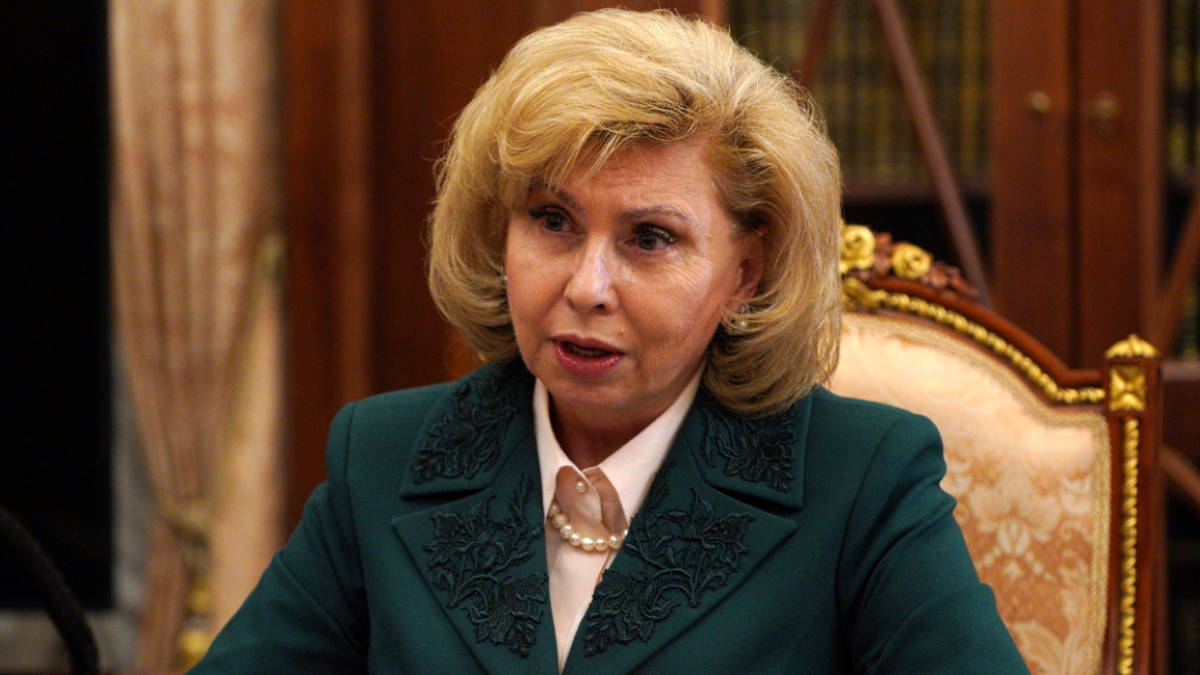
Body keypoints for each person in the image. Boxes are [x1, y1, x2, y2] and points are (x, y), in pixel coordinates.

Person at [193, 9, 1027, 674]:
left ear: (745, 273)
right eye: (552, 220)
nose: (586, 286)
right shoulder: (382, 459)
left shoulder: (862, 478)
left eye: (650, 238)